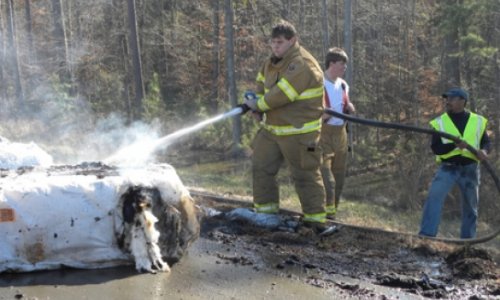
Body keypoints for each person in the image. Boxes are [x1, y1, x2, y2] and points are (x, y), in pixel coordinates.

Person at [242, 20, 329, 233]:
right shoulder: (270, 63)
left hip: (299, 133)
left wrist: (260, 104)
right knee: (261, 167)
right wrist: (257, 106)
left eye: (280, 42)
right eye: (272, 42)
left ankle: (315, 222)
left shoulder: (302, 64)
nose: (275, 47)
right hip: (272, 130)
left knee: (305, 174)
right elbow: (262, 86)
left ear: (293, 40)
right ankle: (265, 215)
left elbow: (283, 93)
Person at [419, 87, 490, 239]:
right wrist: (454, 145)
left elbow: (486, 142)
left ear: (462, 101)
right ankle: (426, 236)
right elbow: (436, 148)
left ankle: (467, 241)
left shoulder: (477, 121)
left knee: (471, 207)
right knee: (434, 198)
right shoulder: (439, 123)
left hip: (470, 169)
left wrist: (484, 151)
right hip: (447, 168)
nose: (448, 101)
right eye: (447, 99)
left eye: (451, 98)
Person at [320, 47, 355, 219]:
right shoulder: (318, 82)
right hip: (322, 134)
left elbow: (345, 104)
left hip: (341, 134)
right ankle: (323, 213)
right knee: (327, 177)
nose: (344, 68)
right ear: (331, 63)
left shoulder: (343, 85)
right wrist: (321, 115)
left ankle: (332, 214)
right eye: (342, 64)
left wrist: (350, 107)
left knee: (339, 175)